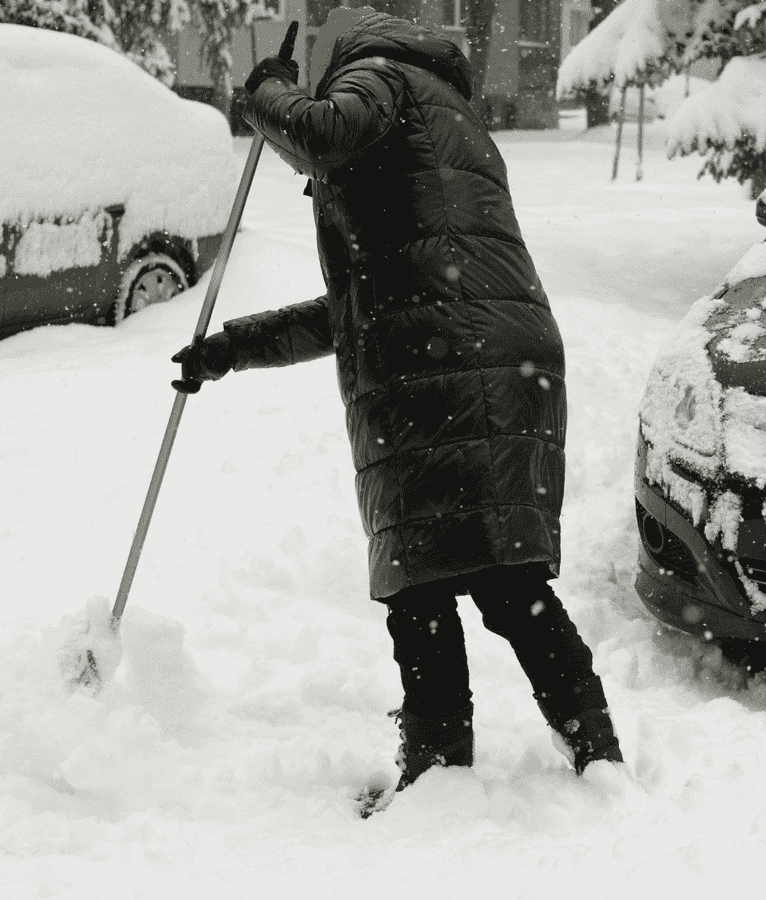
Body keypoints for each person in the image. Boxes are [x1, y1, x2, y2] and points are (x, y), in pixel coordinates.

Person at [172, 13, 622, 792]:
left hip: (444, 364)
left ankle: (441, 773)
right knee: (501, 578)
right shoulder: (442, 115)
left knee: (426, 585)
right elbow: (359, 309)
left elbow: (323, 132)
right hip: (490, 355)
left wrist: (266, 94)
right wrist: (230, 349)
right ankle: (594, 754)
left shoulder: (379, 75)